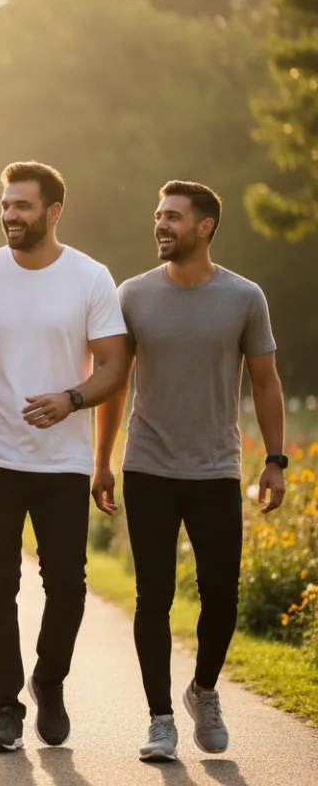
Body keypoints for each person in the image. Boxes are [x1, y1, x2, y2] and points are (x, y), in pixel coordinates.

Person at [94, 180, 286, 762]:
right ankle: (159, 720)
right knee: (153, 596)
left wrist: (276, 461)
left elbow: (265, 381)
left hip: (216, 468)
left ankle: (203, 691)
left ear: (204, 227)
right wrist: (101, 461)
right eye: (158, 215)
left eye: (173, 217)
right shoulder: (132, 295)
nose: (161, 225)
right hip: (148, 465)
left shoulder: (244, 296)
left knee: (222, 595)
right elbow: (115, 380)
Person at [0, 161, 128, 753]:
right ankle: (5, 707)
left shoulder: (90, 277)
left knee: (69, 586)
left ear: (53, 212)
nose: (10, 215)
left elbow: (114, 365)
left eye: (22, 206)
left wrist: (72, 399)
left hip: (62, 464)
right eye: (5, 205)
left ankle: (49, 682)